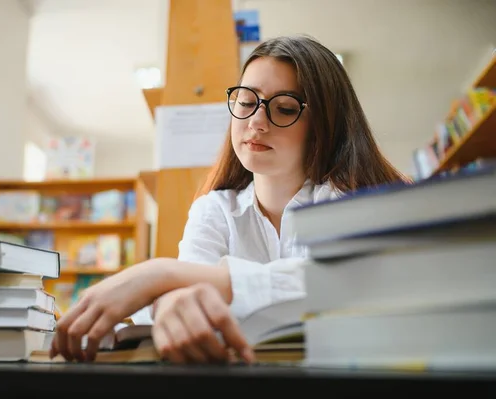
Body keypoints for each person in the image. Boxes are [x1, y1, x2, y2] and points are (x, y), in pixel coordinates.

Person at [49, 35, 408, 364]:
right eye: (247, 101)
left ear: (324, 124)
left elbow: (336, 283)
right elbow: (187, 287)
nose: (256, 121)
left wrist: (161, 274)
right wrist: (173, 298)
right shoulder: (215, 209)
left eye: (283, 108)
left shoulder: (351, 202)